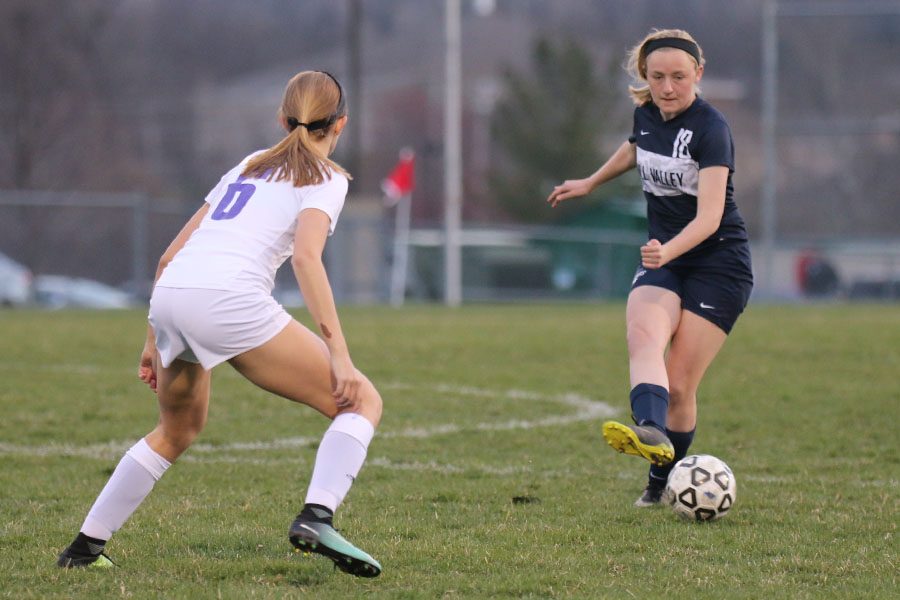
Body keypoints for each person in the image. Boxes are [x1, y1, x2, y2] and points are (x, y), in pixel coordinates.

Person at [57, 71, 383, 577]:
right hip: (227, 301)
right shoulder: (327, 177)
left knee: (177, 429)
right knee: (361, 400)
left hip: (170, 297)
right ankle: (317, 516)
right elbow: (306, 259)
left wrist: (151, 339)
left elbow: (169, 257)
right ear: (341, 124)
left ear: (282, 119)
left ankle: (82, 549)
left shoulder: (248, 165)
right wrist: (339, 354)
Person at [547, 29, 753, 507]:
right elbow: (636, 146)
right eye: (657, 77)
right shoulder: (647, 114)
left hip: (718, 263)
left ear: (698, 75)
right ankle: (650, 430)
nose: (667, 87)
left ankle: (659, 484)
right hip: (665, 256)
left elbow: (710, 218)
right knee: (643, 337)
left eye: (679, 77)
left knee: (680, 385)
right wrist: (591, 181)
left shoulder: (711, 129)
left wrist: (669, 250)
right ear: (645, 76)